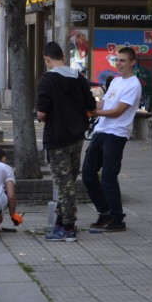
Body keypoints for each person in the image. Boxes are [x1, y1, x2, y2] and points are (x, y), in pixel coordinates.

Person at [36, 41, 96, 242]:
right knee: (68, 180)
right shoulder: (78, 77)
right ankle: (61, 222)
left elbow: (42, 113)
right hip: (77, 136)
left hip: (57, 138)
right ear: (63, 55)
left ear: (47, 59)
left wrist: (42, 115)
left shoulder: (47, 80)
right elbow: (90, 105)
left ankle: (68, 226)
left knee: (64, 184)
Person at [81, 46, 142, 232]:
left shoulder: (134, 84)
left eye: (123, 60)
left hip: (116, 134)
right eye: (117, 60)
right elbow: (105, 103)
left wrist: (93, 112)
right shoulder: (115, 81)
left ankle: (117, 219)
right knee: (88, 174)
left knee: (108, 176)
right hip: (101, 130)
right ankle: (105, 212)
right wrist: (87, 102)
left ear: (132, 62)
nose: (119, 64)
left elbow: (117, 111)